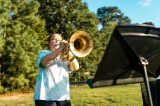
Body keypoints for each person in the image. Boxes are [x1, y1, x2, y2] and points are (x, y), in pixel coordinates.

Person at [34, 33, 79, 106]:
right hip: (45, 97)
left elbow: (76, 67)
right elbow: (44, 62)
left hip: (64, 97)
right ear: (49, 42)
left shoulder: (66, 56)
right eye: (54, 39)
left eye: (59, 40)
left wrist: (68, 52)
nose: (57, 41)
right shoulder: (43, 53)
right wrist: (60, 49)